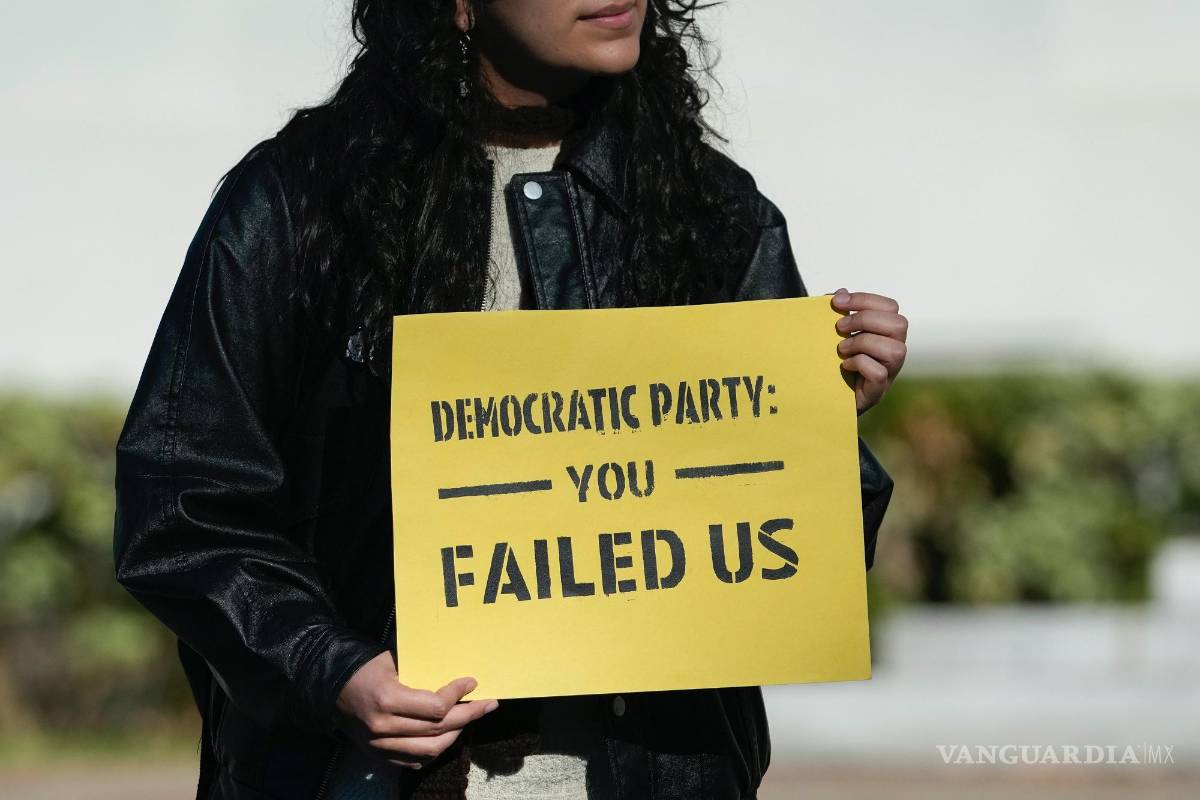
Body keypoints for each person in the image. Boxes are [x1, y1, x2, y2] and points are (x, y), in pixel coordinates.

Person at [113, 1, 906, 798]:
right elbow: (183, 504)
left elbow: (803, 552)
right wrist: (332, 670)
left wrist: (814, 417)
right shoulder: (301, 201)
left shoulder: (713, 211)